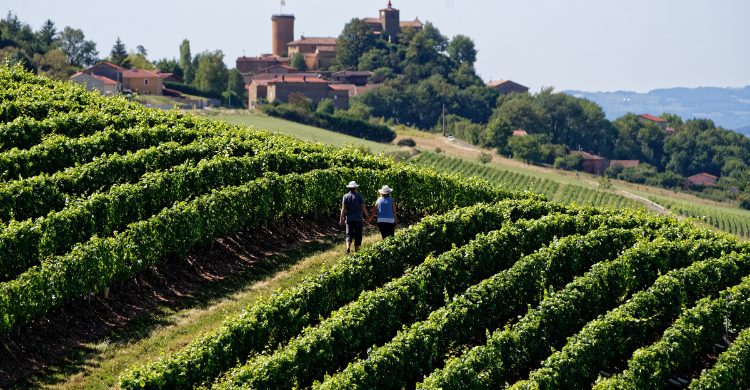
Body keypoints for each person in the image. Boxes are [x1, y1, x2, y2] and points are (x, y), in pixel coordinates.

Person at [340, 181, 369, 254]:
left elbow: (343, 208)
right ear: (355, 188)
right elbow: (363, 207)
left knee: (349, 234)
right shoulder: (359, 196)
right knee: (358, 235)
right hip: (358, 219)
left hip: (349, 219)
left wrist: (341, 219)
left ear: (349, 188)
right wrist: (367, 216)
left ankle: (348, 248)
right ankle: (356, 251)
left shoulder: (345, 196)